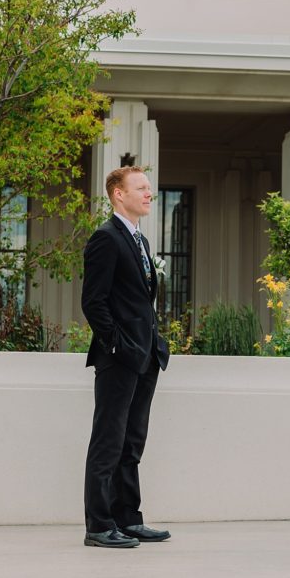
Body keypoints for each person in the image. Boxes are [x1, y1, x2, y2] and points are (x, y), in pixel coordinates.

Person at [81, 166, 171, 549]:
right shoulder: (106, 238)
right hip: (119, 358)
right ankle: (99, 525)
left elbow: (140, 301)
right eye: (141, 188)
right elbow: (93, 302)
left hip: (146, 357)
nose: (150, 193)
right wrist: (117, 345)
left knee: (132, 443)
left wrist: (153, 344)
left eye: (149, 188)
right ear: (119, 194)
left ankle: (128, 519)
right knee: (108, 442)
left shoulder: (141, 241)